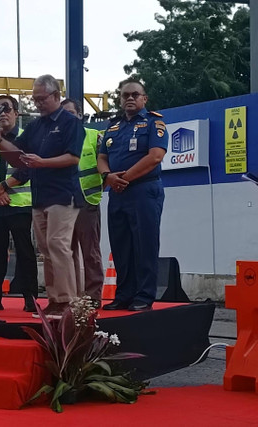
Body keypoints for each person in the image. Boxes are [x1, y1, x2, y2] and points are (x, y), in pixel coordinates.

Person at [0, 75, 84, 318]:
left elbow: (73, 158)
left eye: (42, 99)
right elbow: (18, 153)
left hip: (62, 194)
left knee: (58, 244)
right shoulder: (35, 125)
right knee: (46, 249)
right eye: (35, 99)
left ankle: (68, 301)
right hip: (39, 196)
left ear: (56, 96)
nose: (38, 103)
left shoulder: (71, 123)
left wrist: (43, 162)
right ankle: (54, 299)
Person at [98, 79, 167, 311]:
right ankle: (123, 295)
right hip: (117, 192)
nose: (129, 98)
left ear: (144, 98)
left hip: (144, 191)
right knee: (121, 245)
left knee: (144, 244)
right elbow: (102, 157)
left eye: (134, 95)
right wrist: (107, 176)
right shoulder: (113, 127)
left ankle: (144, 296)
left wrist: (123, 178)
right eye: (125, 95)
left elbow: (156, 156)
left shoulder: (154, 122)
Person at [0, 95, 38, 312]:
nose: (2, 113)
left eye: (6, 108)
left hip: (19, 204)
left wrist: (3, 186)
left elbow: (27, 169)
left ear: (16, 113)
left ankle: (30, 298)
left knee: (25, 252)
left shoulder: (26, 137)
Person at [61, 98, 104, 308]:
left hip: (87, 202)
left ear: (79, 115)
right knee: (65, 254)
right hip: (63, 205)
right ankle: (71, 296)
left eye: (70, 113)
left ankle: (93, 297)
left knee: (90, 252)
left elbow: (107, 167)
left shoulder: (94, 137)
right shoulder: (55, 142)